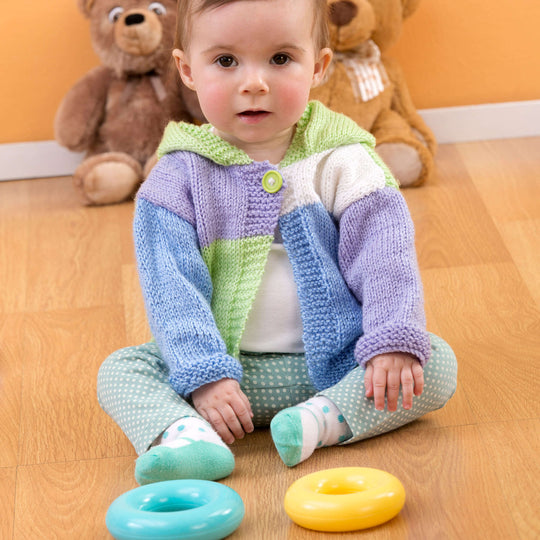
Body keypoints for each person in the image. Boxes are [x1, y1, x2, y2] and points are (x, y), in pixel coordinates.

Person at [97, 0, 457, 485]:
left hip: (334, 365)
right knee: (120, 370)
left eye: (281, 59)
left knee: (431, 361)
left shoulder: (344, 159)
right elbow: (171, 289)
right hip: (227, 375)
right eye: (226, 61)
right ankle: (189, 438)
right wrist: (204, 373)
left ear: (318, 66)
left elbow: (384, 258)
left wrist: (390, 341)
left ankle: (319, 420)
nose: (254, 83)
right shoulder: (176, 178)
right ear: (186, 69)